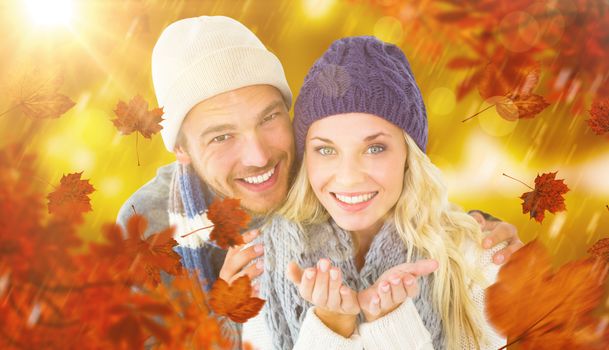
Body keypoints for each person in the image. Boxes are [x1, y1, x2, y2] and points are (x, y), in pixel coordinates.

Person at [116, 16, 521, 348]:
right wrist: (224, 322)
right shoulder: (149, 225)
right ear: (182, 150)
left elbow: (397, 189)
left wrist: (470, 232)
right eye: (221, 136)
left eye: (269, 118)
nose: (259, 156)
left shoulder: (310, 160)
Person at [256, 36, 506, 349]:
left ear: (408, 155)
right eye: (325, 150)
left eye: (374, 148)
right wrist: (331, 326)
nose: (348, 177)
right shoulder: (257, 265)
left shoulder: (477, 261)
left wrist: (392, 325)